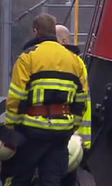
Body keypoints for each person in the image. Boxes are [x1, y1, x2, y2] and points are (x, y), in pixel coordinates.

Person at [1, 14, 89, 186]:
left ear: (36, 32)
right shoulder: (75, 61)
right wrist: (72, 126)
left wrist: (11, 129)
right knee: (52, 179)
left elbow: (16, 98)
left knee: (20, 177)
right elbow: (81, 100)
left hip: (32, 131)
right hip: (61, 132)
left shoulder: (28, 57)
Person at [56, 25, 92, 186]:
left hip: (70, 135)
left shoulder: (67, 61)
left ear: (63, 40)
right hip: (76, 137)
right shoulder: (77, 62)